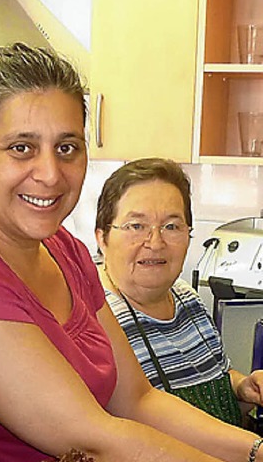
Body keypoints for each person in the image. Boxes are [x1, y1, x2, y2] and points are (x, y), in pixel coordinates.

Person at [0, 42, 263, 462]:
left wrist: (256, 453)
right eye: (21, 147)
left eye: (66, 147)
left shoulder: (63, 249)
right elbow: (92, 441)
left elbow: (137, 401)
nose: (50, 173)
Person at [94, 157, 263, 428]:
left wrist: (243, 387)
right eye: (136, 226)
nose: (155, 242)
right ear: (102, 237)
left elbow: (217, 378)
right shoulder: (96, 317)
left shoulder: (186, 297)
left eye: (171, 226)